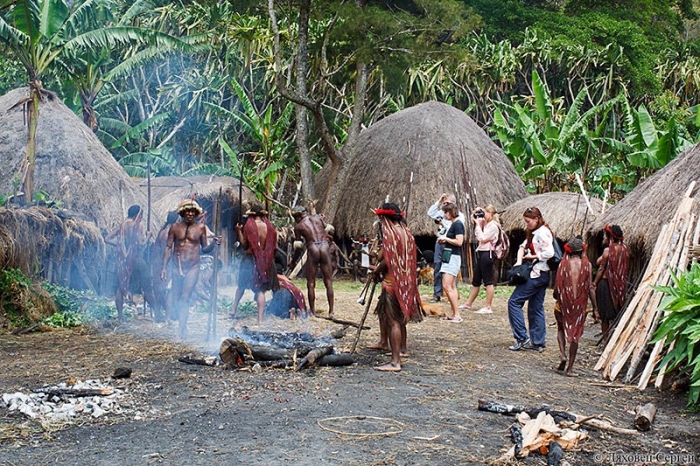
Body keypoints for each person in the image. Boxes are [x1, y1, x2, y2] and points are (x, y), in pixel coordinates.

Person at [367, 203, 423, 372]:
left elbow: (388, 260)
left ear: (385, 217)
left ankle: (395, 362)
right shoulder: (407, 233)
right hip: (405, 283)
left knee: (393, 322)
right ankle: (401, 351)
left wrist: (376, 271)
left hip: (392, 283)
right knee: (399, 320)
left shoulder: (391, 234)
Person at [161, 199, 220, 339]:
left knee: (185, 297)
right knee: (176, 296)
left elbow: (205, 249)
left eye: (192, 212)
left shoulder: (201, 228)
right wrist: (164, 267)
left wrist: (214, 244)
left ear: (196, 213)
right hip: (177, 266)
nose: (190, 214)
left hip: (193, 267)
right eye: (187, 211)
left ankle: (181, 329)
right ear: (183, 213)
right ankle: (182, 324)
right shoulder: (174, 227)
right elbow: (169, 248)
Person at [507, 206, 554, 351]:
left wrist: (533, 257)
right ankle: (538, 342)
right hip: (542, 274)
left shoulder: (542, 233)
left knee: (514, 302)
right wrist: (520, 260)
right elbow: (523, 246)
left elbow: (549, 253)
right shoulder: (536, 232)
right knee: (535, 307)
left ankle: (522, 338)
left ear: (536, 219)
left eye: (528, 221)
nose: (527, 224)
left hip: (537, 274)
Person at [553, 236, 596, 376]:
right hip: (580, 306)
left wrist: (560, 298)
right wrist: (595, 308)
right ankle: (570, 369)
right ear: (582, 250)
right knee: (575, 336)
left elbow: (556, 289)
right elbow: (590, 288)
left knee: (560, 328)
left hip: (563, 305)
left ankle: (563, 355)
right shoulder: (587, 265)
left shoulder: (562, 264)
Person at [235, 205, 279, 324]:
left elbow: (244, 245)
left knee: (241, 285)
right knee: (261, 291)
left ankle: (233, 310)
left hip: (250, 260)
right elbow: (274, 246)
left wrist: (239, 231)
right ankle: (259, 320)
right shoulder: (269, 227)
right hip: (266, 261)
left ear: (252, 215)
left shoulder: (249, 226)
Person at [291, 206, 335, 317]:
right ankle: (331, 311)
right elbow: (330, 230)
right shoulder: (318, 218)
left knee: (310, 283)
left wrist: (293, 261)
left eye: (295, 217)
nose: (295, 220)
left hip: (312, 248)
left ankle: (313, 311)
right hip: (324, 246)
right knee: (328, 281)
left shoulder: (299, 226)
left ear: (299, 216)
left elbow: (298, 247)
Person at [105, 205, 144, 321]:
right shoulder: (137, 226)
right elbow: (141, 243)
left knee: (120, 287)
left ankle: (120, 316)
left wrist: (119, 246)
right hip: (133, 260)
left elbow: (106, 239)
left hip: (121, 261)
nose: (141, 217)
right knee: (146, 283)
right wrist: (148, 237)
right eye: (140, 215)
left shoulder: (121, 226)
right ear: (137, 215)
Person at [461, 204, 500, 314]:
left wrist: (478, 225)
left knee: (488, 281)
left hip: (489, 253)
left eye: (486, 213)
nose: (484, 215)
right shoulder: (486, 224)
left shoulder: (493, 226)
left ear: (491, 214)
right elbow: (474, 219)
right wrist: (476, 213)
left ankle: (488, 306)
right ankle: (468, 303)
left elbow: (482, 238)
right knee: (476, 280)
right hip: (482, 252)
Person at [427, 193, 465, 302]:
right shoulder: (441, 213)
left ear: (454, 203)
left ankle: (452, 293)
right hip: (440, 242)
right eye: (444, 204)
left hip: (451, 243)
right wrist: (439, 201)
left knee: (451, 270)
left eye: (447, 203)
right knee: (438, 267)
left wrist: (443, 223)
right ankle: (437, 293)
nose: (445, 206)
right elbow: (430, 213)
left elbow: (456, 231)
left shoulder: (459, 217)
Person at [593, 224, 629, 337]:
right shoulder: (625, 250)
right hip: (620, 286)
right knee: (616, 312)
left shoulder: (608, 251)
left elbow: (601, 268)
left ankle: (605, 340)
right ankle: (616, 337)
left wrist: (594, 283)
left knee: (604, 316)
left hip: (606, 285)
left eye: (606, 236)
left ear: (610, 237)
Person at [438, 202, 465, 323]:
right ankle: (454, 313)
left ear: (450, 212)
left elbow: (459, 242)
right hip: (450, 256)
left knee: (447, 286)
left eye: (446, 212)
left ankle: (457, 314)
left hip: (452, 257)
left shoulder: (458, 224)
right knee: (451, 286)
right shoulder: (454, 224)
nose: (444, 215)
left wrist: (446, 238)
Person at [151, 211, 179, 323]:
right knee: (168, 291)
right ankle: (167, 318)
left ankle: (158, 315)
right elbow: (168, 251)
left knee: (161, 291)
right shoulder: (168, 233)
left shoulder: (162, 231)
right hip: (165, 266)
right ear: (176, 221)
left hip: (160, 265)